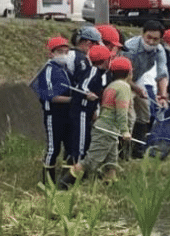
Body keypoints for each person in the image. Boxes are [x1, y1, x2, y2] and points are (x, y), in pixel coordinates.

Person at [58, 56, 133, 189]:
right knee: (90, 161)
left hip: (107, 129)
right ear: (129, 72)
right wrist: (125, 131)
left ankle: (110, 185)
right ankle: (62, 185)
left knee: (111, 162)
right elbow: (122, 111)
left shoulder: (111, 86)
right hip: (107, 129)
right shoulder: (124, 88)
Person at [120, 20, 169, 158]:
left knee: (145, 114)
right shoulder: (130, 48)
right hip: (122, 81)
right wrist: (137, 89)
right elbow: (122, 74)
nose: (152, 42)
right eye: (149, 37)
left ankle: (138, 149)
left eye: (156, 39)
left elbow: (162, 74)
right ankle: (123, 151)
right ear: (143, 34)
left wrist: (163, 96)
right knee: (129, 116)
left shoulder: (159, 50)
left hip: (137, 79)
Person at [33, 36, 74, 185]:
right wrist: (72, 100)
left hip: (68, 114)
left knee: (70, 147)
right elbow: (50, 96)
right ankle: (47, 182)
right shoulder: (49, 70)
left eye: (66, 51)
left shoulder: (65, 70)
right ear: (51, 53)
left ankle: (65, 181)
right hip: (54, 114)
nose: (63, 55)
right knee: (53, 147)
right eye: (59, 51)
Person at [69, 44, 112, 163]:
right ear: (105, 60)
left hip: (87, 112)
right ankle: (75, 172)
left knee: (84, 140)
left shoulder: (100, 74)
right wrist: (87, 94)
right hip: (81, 111)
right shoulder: (93, 71)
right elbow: (82, 86)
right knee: (80, 143)